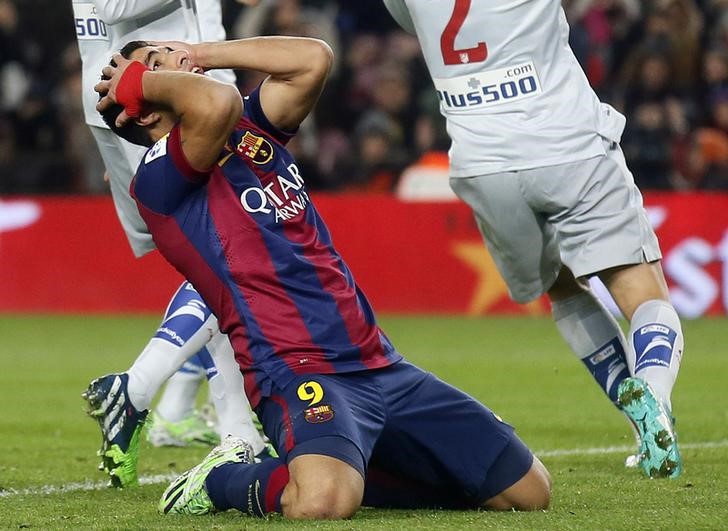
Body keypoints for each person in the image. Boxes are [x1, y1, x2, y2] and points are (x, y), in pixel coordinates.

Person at [93, 36, 551, 518]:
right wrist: (138, 80)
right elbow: (216, 102)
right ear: (142, 110)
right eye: (152, 65)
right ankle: (222, 479)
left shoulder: (250, 128)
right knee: (320, 503)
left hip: (377, 362)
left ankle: (345, 463)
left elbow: (313, 60)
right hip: (294, 367)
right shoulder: (159, 177)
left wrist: (201, 54)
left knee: (528, 493)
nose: (170, 60)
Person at [381, 0, 684, 478]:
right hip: (568, 145)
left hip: (482, 164)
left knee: (561, 286)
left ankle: (640, 425)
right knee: (643, 291)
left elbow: (408, 20)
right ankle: (654, 394)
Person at [71, 0, 268, 488]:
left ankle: (234, 432)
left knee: (217, 253)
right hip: (147, 98)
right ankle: (139, 391)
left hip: (190, 88)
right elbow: (112, 7)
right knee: (226, 249)